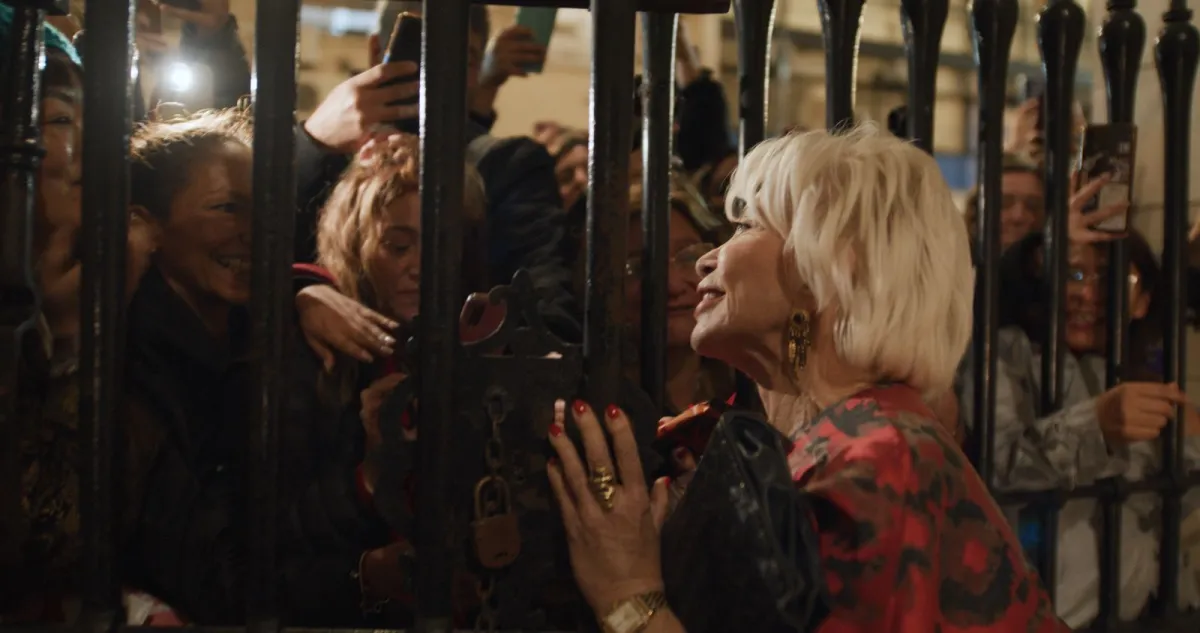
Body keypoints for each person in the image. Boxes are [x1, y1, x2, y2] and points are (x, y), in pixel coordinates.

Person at [543, 124, 1068, 632]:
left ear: (831, 266)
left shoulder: (882, 456)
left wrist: (628, 595)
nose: (707, 258)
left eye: (747, 227)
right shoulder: (852, 438)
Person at [962, 230, 1200, 626]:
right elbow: (994, 467)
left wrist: (1188, 449)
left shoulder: (1143, 372)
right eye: (1072, 276)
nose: (1087, 294)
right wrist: (1095, 427)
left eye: (1112, 279)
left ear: (1142, 301)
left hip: (1150, 612)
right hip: (1047, 618)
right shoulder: (1006, 354)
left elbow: (1154, 512)